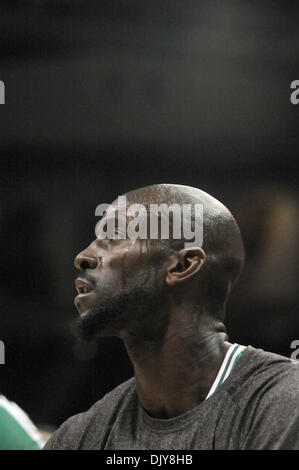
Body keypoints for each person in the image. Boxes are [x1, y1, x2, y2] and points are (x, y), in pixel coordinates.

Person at [44, 184, 299, 450]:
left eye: (114, 236)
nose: (82, 257)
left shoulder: (282, 402)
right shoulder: (80, 436)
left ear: (182, 266)